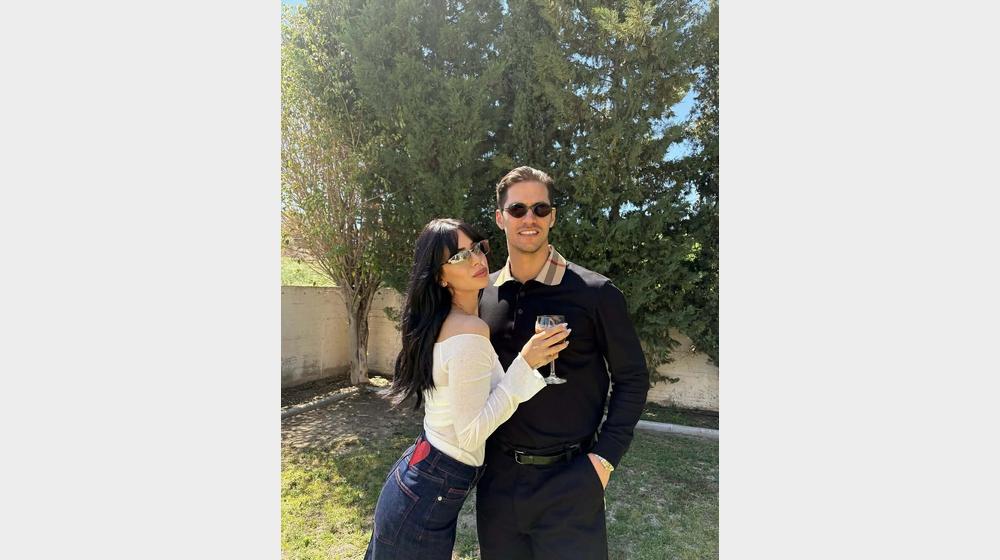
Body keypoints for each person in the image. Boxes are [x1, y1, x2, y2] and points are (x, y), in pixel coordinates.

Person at [363, 218, 571, 560]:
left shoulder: (444, 321)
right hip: (428, 490)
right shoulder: (468, 331)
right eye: (459, 256)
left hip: (420, 477)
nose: (476, 259)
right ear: (440, 276)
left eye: (476, 248)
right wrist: (526, 362)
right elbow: (471, 432)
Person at [476, 166, 650, 559]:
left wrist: (603, 461)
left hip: (571, 482)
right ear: (501, 218)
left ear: (552, 216)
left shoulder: (595, 293)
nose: (530, 218)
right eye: (517, 209)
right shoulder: (484, 295)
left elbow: (633, 378)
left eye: (540, 209)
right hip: (498, 483)